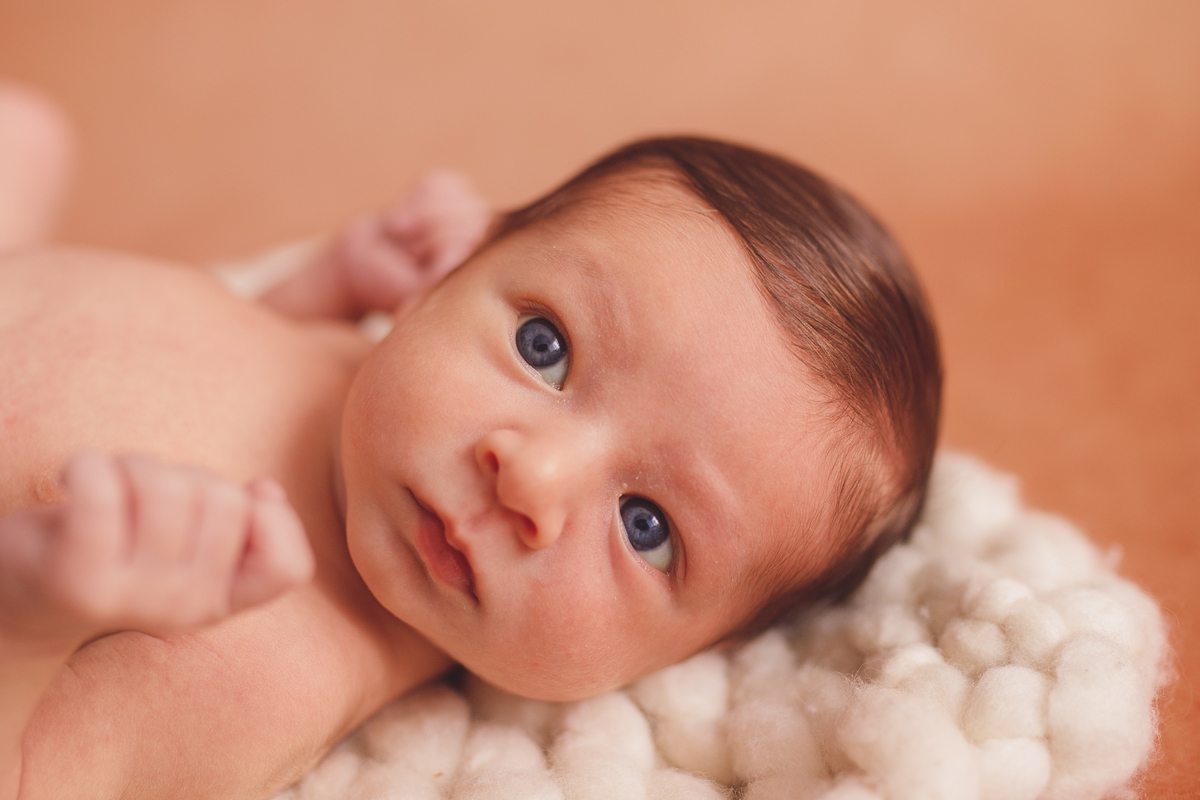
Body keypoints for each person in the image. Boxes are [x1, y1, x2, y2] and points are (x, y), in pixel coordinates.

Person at [0, 84, 940, 800]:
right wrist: (324, 286)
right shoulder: (365, 378)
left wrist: (33, 616)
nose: (531, 475)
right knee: (28, 134)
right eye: (547, 348)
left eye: (646, 526)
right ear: (458, 268)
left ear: (679, 662)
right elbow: (207, 345)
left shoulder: (263, 658)